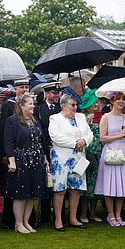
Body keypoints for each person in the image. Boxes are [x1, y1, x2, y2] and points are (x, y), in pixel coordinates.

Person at [49, 93, 93, 231]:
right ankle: (58, 220)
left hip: (78, 157)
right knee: (60, 189)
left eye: (76, 105)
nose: (75, 107)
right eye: (72, 105)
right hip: (61, 158)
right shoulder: (55, 118)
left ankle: (73, 218)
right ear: (63, 105)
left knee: (76, 188)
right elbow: (55, 136)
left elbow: (89, 133)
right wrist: (74, 142)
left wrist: (84, 141)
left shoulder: (81, 117)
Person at [4, 93, 48, 233]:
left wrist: (45, 158)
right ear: (22, 106)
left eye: (33, 103)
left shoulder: (35, 120)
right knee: (21, 193)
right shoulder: (13, 121)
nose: (33, 106)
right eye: (30, 103)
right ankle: (18, 223)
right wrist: (12, 161)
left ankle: (26, 222)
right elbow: (8, 142)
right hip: (21, 159)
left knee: (32, 193)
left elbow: (41, 140)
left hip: (36, 159)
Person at [95, 92, 125, 226]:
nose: (121, 102)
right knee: (110, 183)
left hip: (124, 151)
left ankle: (118, 214)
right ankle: (110, 215)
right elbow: (102, 138)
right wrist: (119, 135)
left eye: (123, 100)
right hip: (110, 151)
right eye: (118, 99)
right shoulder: (106, 117)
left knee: (121, 184)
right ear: (112, 101)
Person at [0, 78, 30, 229]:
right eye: (21, 87)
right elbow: (4, 132)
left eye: (26, 87)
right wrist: (4, 154)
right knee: (12, 187)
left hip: (27, 152)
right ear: (15, 89)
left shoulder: (30, 108)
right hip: (12, 152)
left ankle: (27, 219)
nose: (24, 89)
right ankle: (10, 219)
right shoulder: (8, 106)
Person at [35, 82, 61, 224]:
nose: (56, 96)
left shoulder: (60, 108)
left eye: (57, 93)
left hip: (59, 148)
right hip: (45, 149)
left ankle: (60, 214)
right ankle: (45, 215)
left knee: (59, 182)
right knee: (46, 181)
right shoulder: (39, 110)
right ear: (47, 94)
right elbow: (39, 130)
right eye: (54, 93)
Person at [78, 89, 103, 223]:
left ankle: (93, 213)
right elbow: (80, 134)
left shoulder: (101, 116)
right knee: (86, 184)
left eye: (98, 102)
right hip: (86, 153)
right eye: (94, 102)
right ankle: (83, 213)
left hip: (99, 152)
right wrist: (87, 122)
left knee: (96, 184)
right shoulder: (81, 117)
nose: (96, 104)